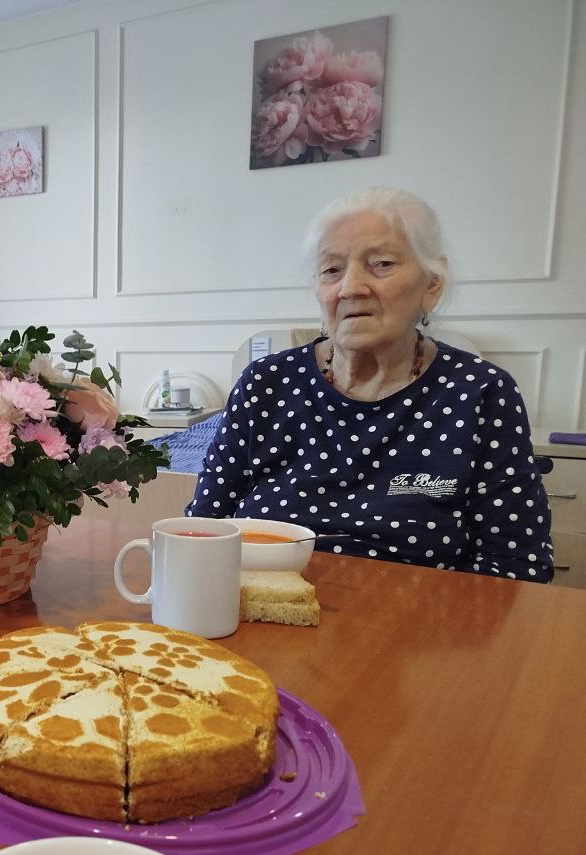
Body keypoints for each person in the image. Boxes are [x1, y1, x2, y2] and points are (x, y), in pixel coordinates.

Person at [186, 186, 553, 583]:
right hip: (260, 614)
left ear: (432, 283)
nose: (350, 287)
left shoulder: (479, 392)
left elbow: (515, 567)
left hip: (421, 631)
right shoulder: (266, 383)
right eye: (331, 270)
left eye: (381, 263)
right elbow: (203, 528)